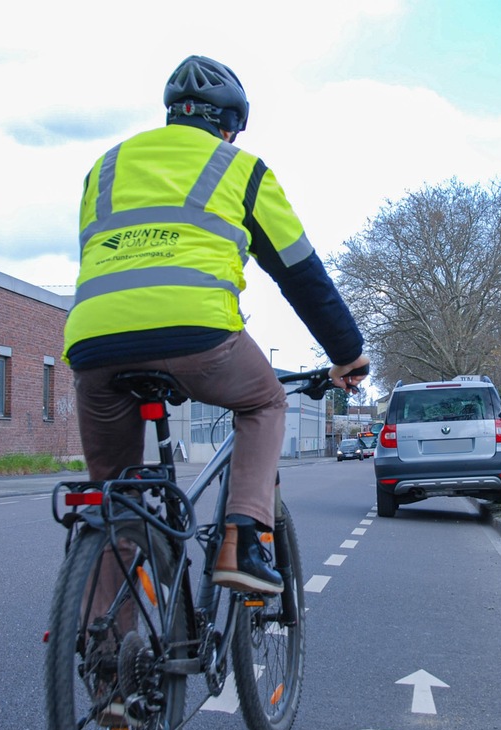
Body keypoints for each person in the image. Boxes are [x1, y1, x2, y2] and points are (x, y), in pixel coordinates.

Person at [64, 55, 369, 596]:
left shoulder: (105, 167)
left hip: (94, 343)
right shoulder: (241, 169)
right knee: (266, 401)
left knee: (115, 497)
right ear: (228, 126)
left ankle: (110, 656)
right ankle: (244, 538)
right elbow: (300, 273)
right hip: (198, 337)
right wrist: (347, 352)